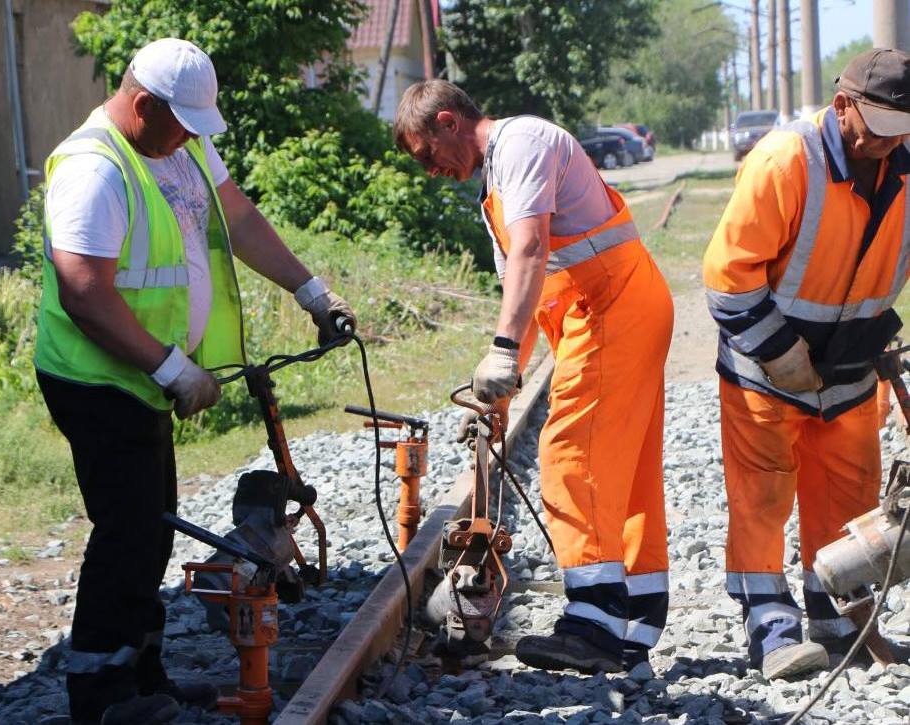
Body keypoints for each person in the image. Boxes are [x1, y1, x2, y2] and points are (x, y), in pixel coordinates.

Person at [34, 38, 355, 724]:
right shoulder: (94, 170)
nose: (188, 138)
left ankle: (142, 677)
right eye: (179, 124)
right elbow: (84, 293)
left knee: (151, 530)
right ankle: (101, 698)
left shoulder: (178, 143)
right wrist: (172, 366)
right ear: (142, 104)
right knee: (127, 531)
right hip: (97, 378)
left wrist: (310, 290)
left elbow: (237, 216)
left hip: (142, 375)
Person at [394, 80, 674, 674]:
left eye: (427, 154)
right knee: (626, 468)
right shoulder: (497, 183)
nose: (431, 170)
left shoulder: (521, 144)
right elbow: (524, 297)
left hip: (611, 308)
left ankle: (594, 625)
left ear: (447, 122)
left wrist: (501, 353)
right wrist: (502, 386)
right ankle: (635, 618)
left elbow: (530, 252)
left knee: (573, 452)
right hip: (617, 307)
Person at [703, 48, 910, 681]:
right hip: (766, 371)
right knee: (762, 498)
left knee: (849, 497)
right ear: (843, 106)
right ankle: (770, 627)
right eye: (879, 129)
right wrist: (780, 352)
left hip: (851, 371)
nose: (888, 144)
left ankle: (839, 619)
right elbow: (728, 278)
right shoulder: (785, 161)